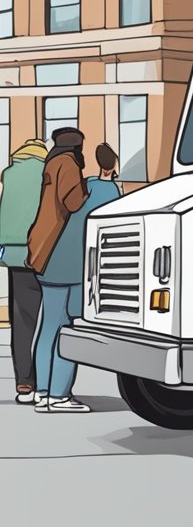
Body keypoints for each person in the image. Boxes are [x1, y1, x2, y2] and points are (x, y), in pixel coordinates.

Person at [28, 129, 90, 412]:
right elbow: (74, 202)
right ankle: (60, 395)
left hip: (45, 253)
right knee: (66, 328)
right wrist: (86, 190)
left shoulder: (51, 164)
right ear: (77, 147)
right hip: (64, 258)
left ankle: (42, 391)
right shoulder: (69, 164)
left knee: (48, 327)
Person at [0, 139, 48, 403]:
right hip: (42, 252)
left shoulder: (9, 173)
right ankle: (44, 380)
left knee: (21, 319)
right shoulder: (46, 172)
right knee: (46, 318)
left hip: (15, 254)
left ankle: (23, 382)